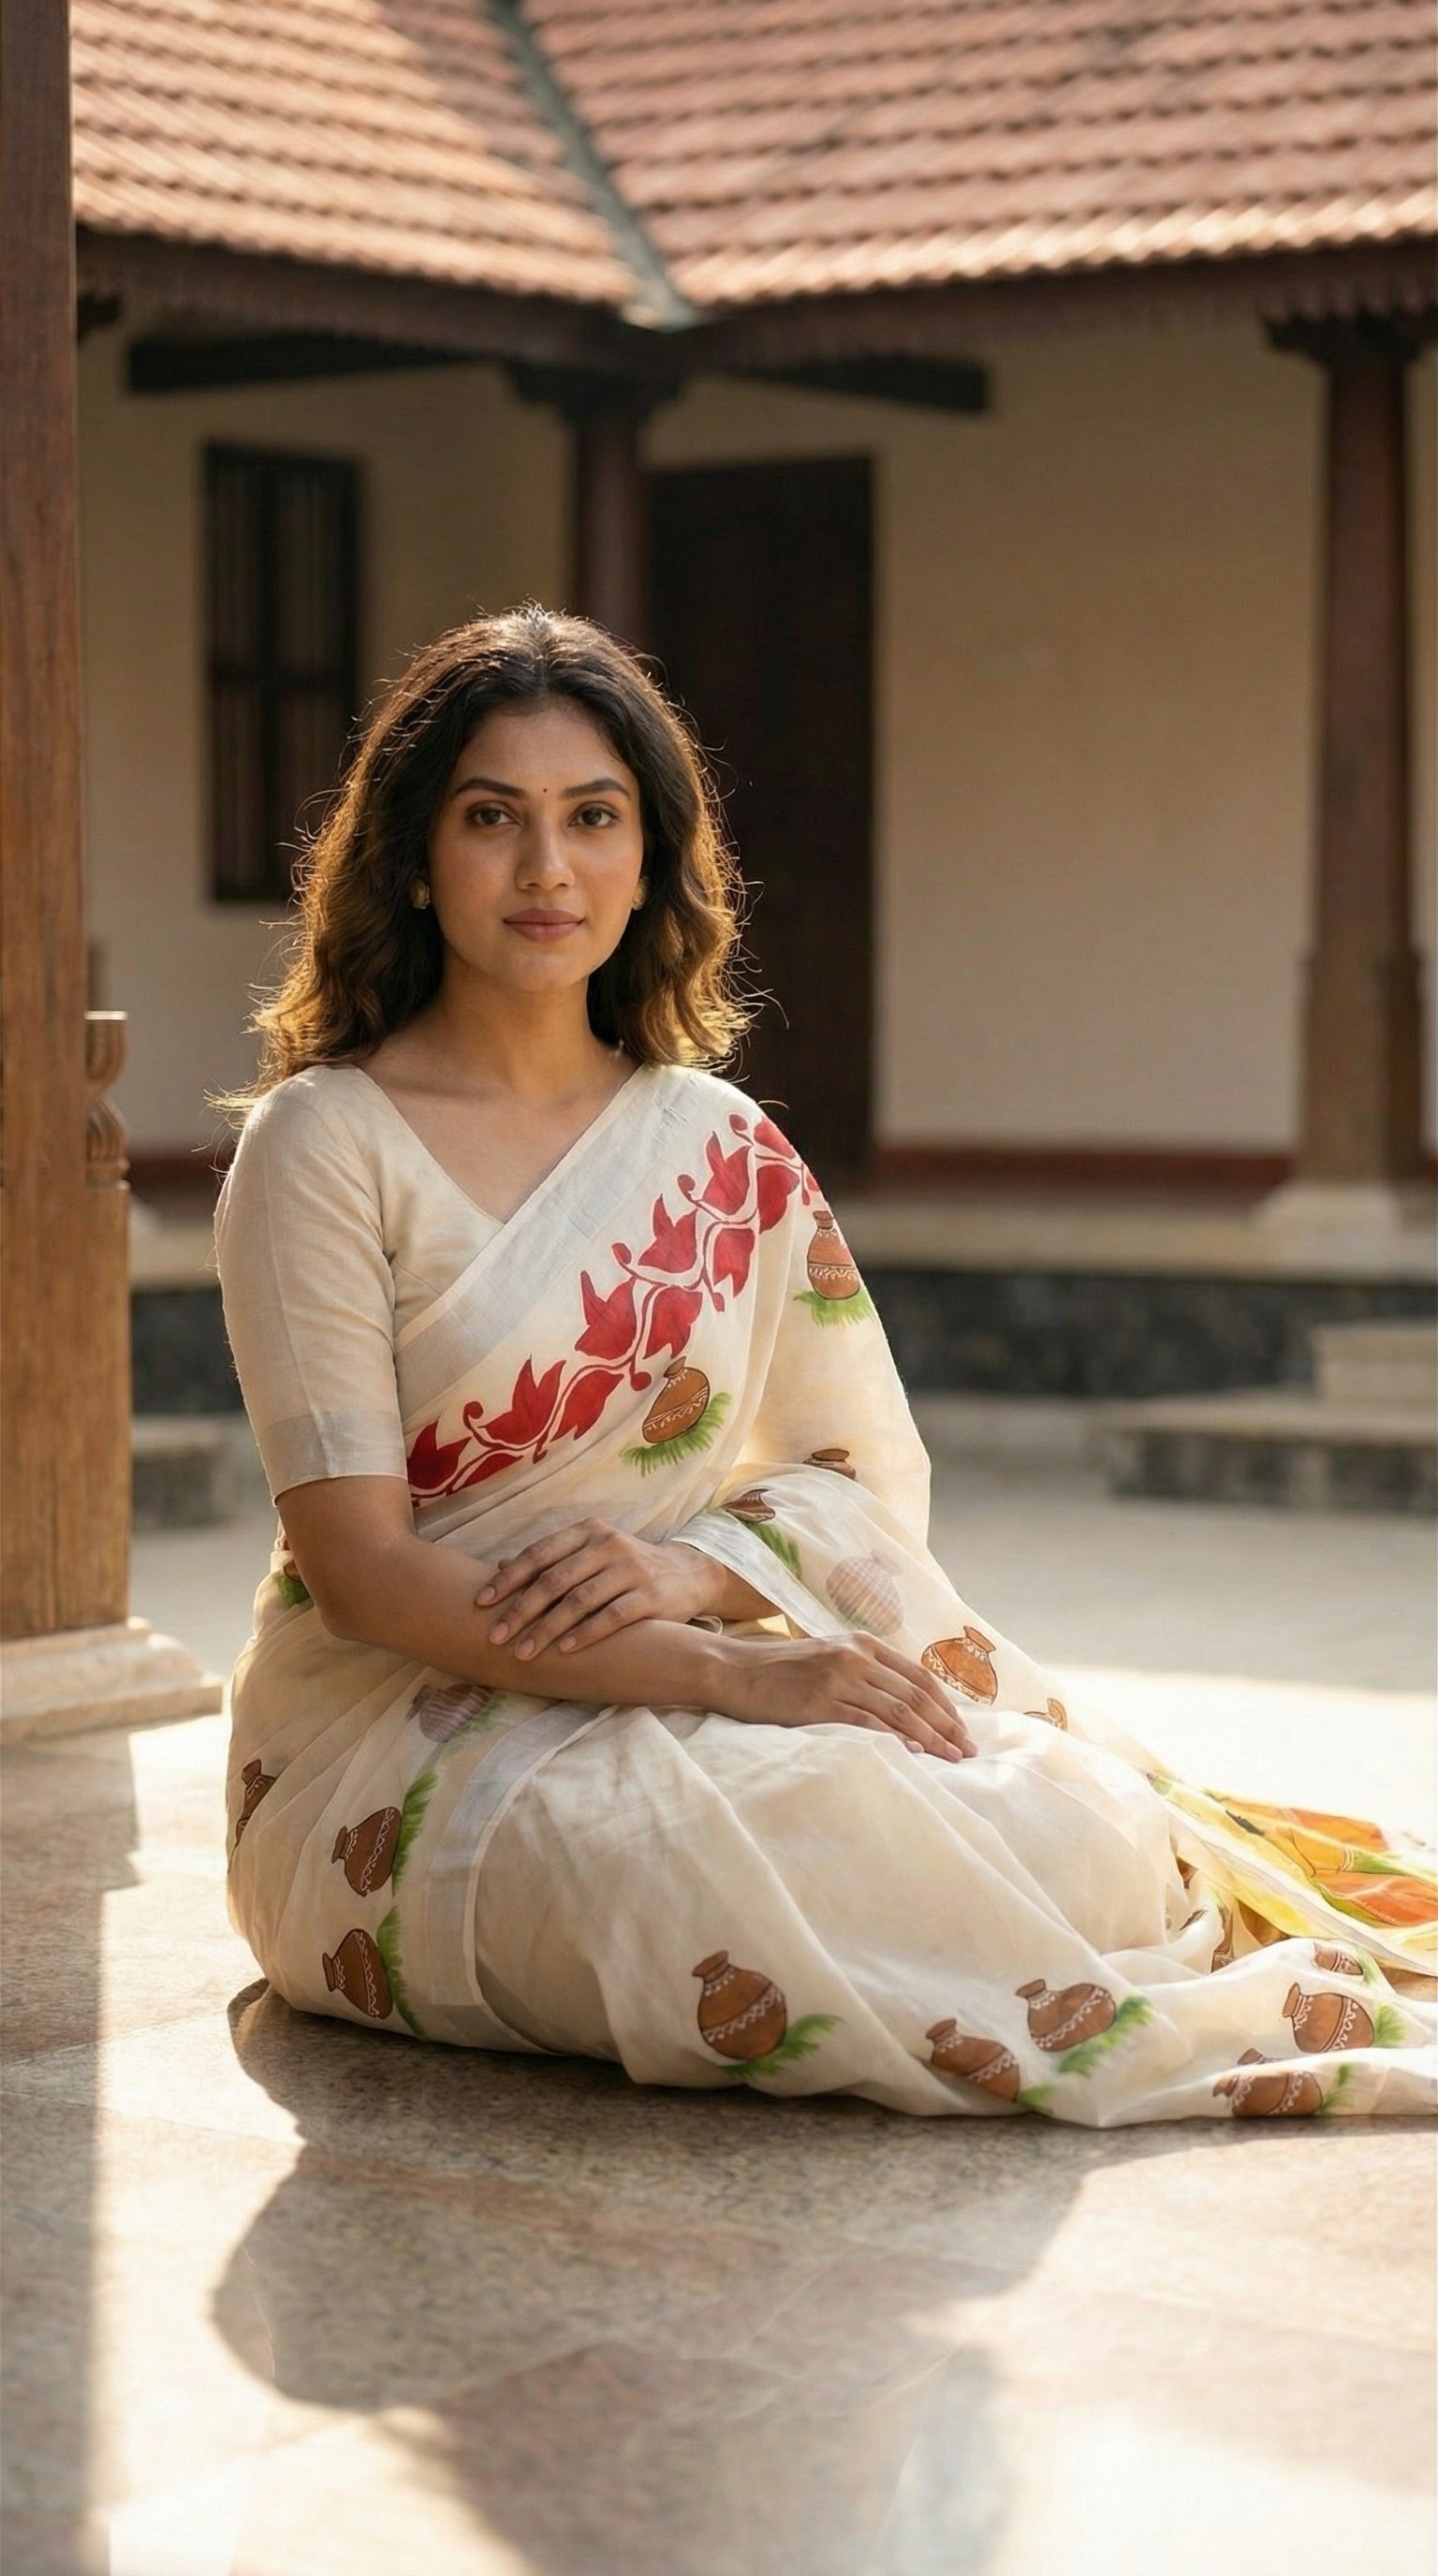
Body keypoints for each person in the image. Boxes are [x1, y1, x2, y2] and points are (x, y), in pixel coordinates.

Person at [215, 606, 1435, 2125]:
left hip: (669, 1658)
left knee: (1064, 1824)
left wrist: (695, 1575)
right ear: (411, 855)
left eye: (594, 818)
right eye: (492, 820)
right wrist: (738, 1672)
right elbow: (366, 1578)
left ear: (652, 857)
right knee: (709, 1876)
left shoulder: (719, 1151)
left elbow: (856, 1473)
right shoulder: (323, 1145)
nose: (548, 870)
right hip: (395, 1744)